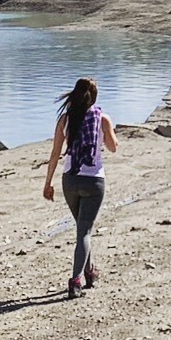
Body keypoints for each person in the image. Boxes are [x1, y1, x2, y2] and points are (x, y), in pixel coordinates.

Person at [43, 76, 118, 299]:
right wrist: (109, 134)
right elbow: (113, 148)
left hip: (70, 180)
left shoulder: (65, 119)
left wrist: (48, 183)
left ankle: (90, 272)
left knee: (82, 230)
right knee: (84, 231)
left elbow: (55, 154)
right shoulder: (102, 119)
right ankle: (75, 281)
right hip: (93, 181)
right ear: (94, 97)